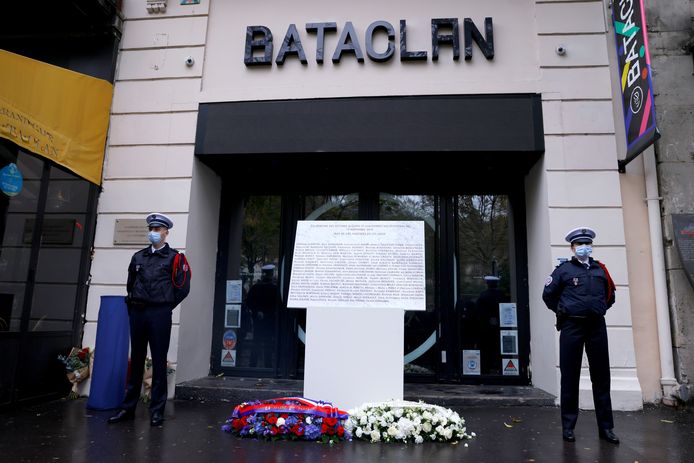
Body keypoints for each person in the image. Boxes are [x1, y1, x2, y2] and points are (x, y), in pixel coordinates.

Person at [109, 213, 191, 427]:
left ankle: (157, 411)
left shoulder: (175, 258)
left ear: (166, 232)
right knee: (135, 360)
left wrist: (164, 304)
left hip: (159, 314)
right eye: (151, 229)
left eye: (157, 229)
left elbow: (183, 288)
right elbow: (131, 283)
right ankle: (127, 409)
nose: (153, 233)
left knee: (158, 361)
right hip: (138, 312)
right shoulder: (139, 257)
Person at [542, 227, 619, 444]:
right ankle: (568, 427)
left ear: (591, 246)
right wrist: (563, 310)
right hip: (571, 328)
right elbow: (548, 295)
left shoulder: (600, 270)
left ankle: (606, 428)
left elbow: (610, 295)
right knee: (570, 377)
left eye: (586, 244)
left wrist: (598, 308)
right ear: (572, 247)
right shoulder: (563, 270)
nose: (583, 248)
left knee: (602, 378)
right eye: (579, 245)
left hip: (596, 326)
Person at [245, 264, 279, 368]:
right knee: (268, 343)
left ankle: (253, 365)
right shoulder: (275, 289)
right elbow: (277, 305)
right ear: (271, 275)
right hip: (269, 320)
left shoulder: (256, 287)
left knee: (257, 342)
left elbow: (249, 302)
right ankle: (267, 366)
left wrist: (257, 311)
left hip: (259, 320)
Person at [476, 275, 503, 374]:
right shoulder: (501, 295)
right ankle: (497, 367)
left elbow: (478, 312)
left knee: (486, 349)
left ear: (487, 284)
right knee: (497, 348)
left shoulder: (483, 295)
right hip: (498, 327)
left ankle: (486, 368)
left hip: (485, 328)